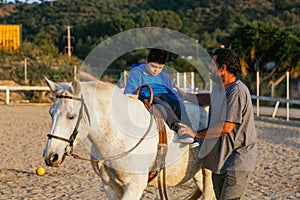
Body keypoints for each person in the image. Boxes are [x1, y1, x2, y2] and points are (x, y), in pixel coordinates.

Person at [176, 48, 258, 200]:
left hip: (237, 161)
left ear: (223, 68)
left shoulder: (237, 92)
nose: (209, 68)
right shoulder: (219, 87)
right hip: (219, 161)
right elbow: (208, 99)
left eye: (212, 64)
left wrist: (194, 133)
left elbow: (226, 127)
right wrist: (186, 96)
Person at [124, 48, 197, 145]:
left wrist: (179, 100)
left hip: (164, 94)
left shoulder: (163, 76)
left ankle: (189, 132)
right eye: (153, 66)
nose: (156, 71)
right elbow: (129, 93)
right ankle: (177, 127)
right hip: (148, 96)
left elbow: (170, 91)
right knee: (163, 105)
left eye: (160, 68)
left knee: (177, 104)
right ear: (146, 61)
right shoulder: (136, 73)